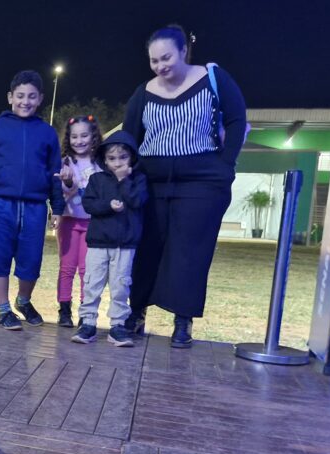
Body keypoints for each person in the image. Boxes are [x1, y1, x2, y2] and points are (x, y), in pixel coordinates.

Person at [122, 24, 247, 348]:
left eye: (166, 58)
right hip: (152, 183)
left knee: (189, 252)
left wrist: (226, 165)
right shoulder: (143, 92)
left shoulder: (212, 78)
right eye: (154, 61)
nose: (160, 66)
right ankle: (136, 312)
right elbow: (129, 137)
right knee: (145, 249)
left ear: (182, 51)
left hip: (201, 183)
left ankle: (183, 321)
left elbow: (236, 120)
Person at [0, 70, 63, 331]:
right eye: (20, 96)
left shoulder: (47, 133)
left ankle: (24, 300)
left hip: (34, 207)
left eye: (31, 96)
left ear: (40, 98)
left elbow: (55, 172)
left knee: (31, 261)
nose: (25, 101)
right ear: (10, 97)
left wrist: (57, 207)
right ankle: (4, 309)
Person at [70, 131, 147, 347]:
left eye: (123, 157)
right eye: (112, 158)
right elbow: (89, 204)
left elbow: (138, 201)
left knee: (120, 286)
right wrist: (108, 206)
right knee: (92, 284)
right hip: (98, 243)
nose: (117, 163)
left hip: (125, 245)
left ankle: (118, 326)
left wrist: (124, 181)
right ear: (104, 160)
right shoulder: (96, 179)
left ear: (132, 157)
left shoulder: (138, 179)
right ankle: (87, 323)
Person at [53, 115, 103, 328]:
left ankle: (86, 312)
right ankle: (64, 310)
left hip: (92, 224)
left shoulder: (101, 162)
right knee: (67, 268)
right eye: (74, 136)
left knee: (86, 271)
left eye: (84, 135)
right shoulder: (65, 162)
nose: (79, 141)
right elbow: (63, 191)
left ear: (93, 137)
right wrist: (68, 181)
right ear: (68, 138)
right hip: (69, 221)